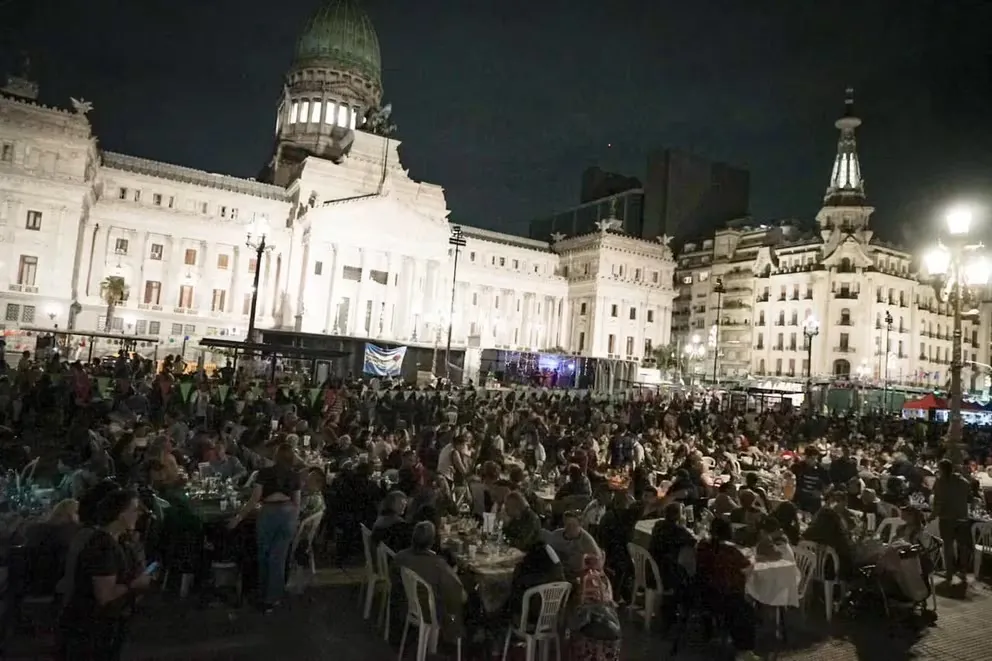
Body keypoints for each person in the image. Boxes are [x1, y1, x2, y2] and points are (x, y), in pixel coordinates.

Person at [58, 488, 153, 661]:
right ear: (119, 513)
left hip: (105, 627)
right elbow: (105, 595)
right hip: (91, 629)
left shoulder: (118, 541)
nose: (138, 515)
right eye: (134, 510)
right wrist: (135, 584)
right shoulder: (103, 546)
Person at [229, 442, 301, 612]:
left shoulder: (264, 472)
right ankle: (274, 598)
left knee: (264, 554)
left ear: (275, 456)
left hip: (268, 513)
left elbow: (254, 499)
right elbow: (297, 503)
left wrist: (239, 517)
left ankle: (263, 593)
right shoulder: (294, 475)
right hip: (288, 514)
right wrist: (294, 522)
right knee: (279, 557)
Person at [695, 518, 758, 661]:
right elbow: (747, 569)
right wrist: (752, 560)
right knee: (746, 609)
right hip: (724, 598)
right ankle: (744, 652)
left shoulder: (703, 546)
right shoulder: (730, 551)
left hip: (703, 593)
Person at [393, 521, 466, 644]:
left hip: (408, 605)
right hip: (432, 614)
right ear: (432, 542)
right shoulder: (438, 565)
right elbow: (458, 595)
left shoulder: (400, 556)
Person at [932, 458, 972, 583]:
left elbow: (938, 502)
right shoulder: (963, 481)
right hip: (962, 517)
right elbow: (968, 497)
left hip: (947, 517)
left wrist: (932, 515)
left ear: (941, 469)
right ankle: (963, 572)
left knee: (948, 546)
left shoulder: (940, 482)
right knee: (962, 546)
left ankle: (949, 573)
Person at [543, 510, 603, 576]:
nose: (570, 528)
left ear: (580, 525)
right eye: (567, 525)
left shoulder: (587, 541)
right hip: (558, 573)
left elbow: (599, 563)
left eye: (574, 525)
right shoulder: (556, 535)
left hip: (579, 575)